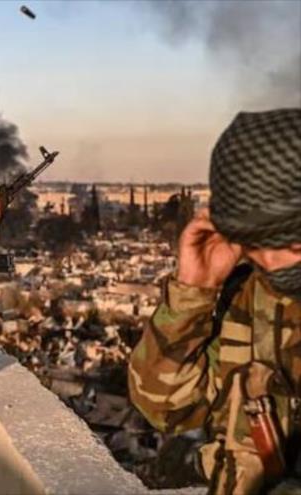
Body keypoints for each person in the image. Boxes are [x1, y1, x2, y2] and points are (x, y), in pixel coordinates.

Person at [128, 108, 300, 493]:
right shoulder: (249, 298)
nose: (272, 263)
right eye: (256, 243)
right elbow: (168, 409)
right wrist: (193, 292)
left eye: (288, 241)